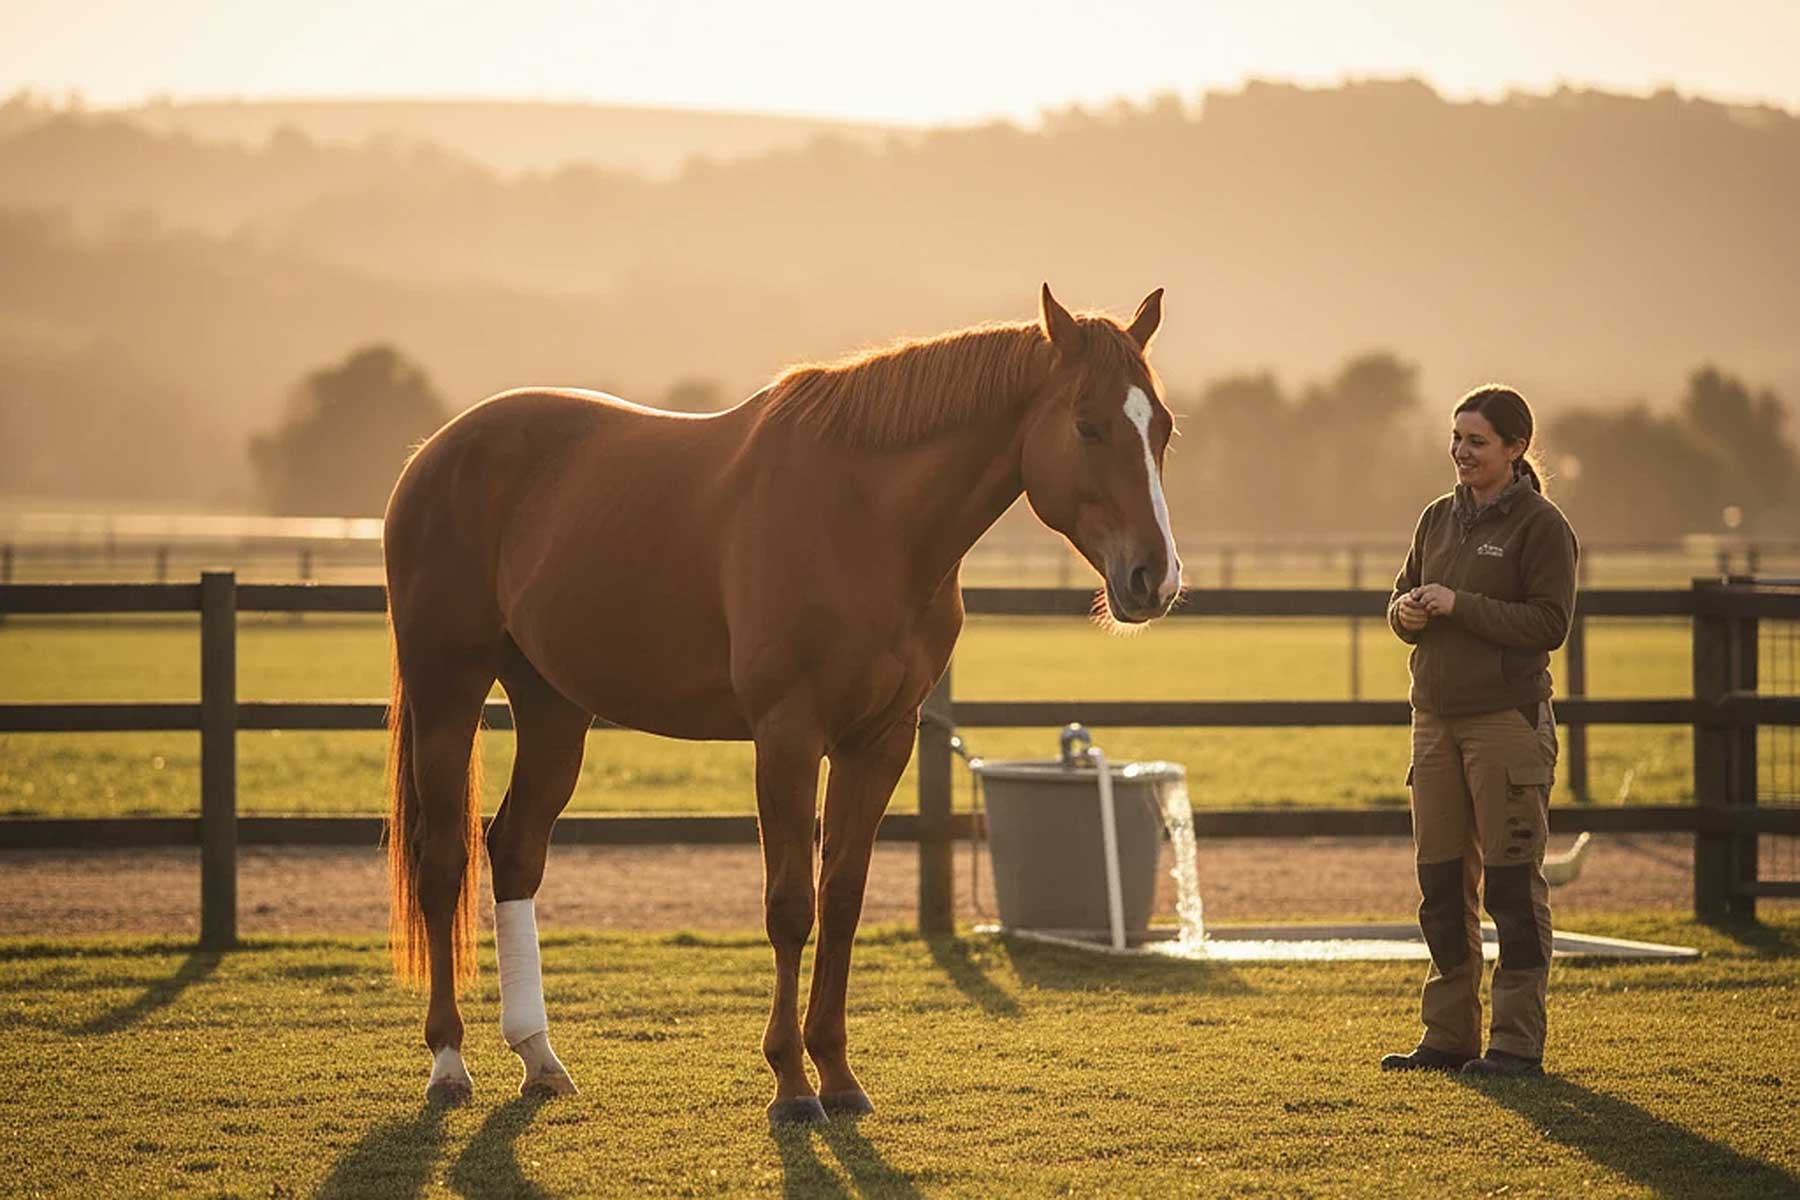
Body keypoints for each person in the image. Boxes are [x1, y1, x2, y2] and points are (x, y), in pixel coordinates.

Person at [1381, 384, 1579, 1078]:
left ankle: (1517, 1045)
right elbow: (1401, 599)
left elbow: (1548, 624)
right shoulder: (1435, 519)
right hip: (1433, 722)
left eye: (1477, 441)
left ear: (1516, 448)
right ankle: (1448, 1036)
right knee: (1439, 886)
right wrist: (1405, 613)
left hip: (1506, 724)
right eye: (1457, 439)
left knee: (1511, 888)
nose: (1461, 452)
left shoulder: (1542, 528)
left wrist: (1461, 604)